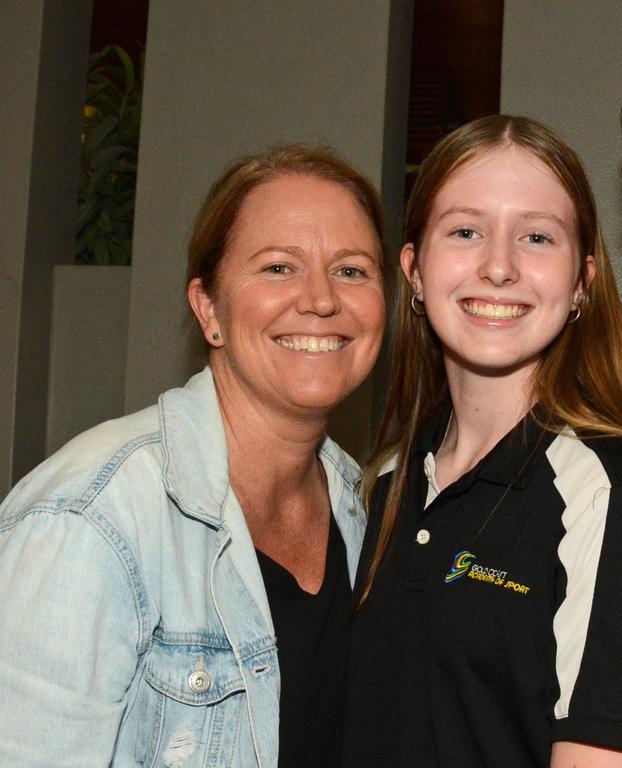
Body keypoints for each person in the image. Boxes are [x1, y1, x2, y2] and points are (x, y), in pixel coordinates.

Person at [343, 115, 622, 767]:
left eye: (537, 237)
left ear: (582, 281)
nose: (498, 266)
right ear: (413, 268)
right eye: (465, 231)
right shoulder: (377, 485)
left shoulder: (615, 500)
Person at [0, 146, 387, 767]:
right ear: (209, 308)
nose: (320, 300)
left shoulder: (364, 506)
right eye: (279, 268)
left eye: (351, 270)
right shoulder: (90, 519)